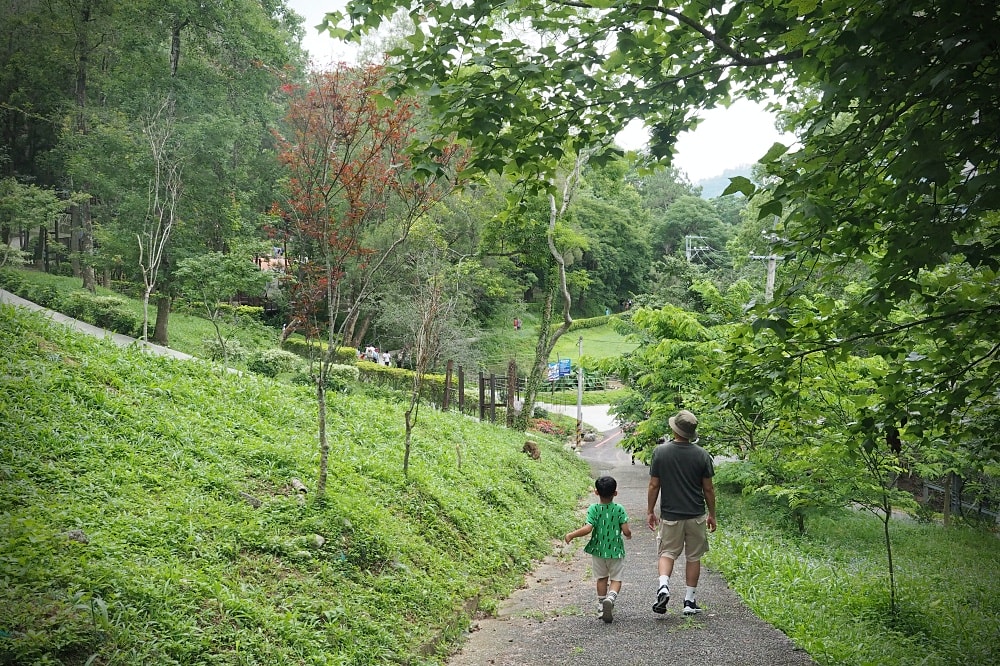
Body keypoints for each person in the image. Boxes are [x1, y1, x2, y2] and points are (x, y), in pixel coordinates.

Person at [646, 409, 716, 616]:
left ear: (674, 429)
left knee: (667, 553)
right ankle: (689, 601)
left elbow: (654, 485)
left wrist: (650, 511)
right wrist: (712, 514)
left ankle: (663, 586)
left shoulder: (661, 452)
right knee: (693, 557)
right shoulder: (702, 455)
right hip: (696, 514)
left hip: (670, 516)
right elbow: (708, 489)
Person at [565, 475, 633, 623]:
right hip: (615, 551)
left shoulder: (593, 509)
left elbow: (588, 528)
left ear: (596, 492)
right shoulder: (619, 509)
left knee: (601, 578)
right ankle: (611, 598)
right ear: (615, 493)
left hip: (598, 550)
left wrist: (571, 535)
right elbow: (625, 530)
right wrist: (628, 534)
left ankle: (602, 604)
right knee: (616, 579)